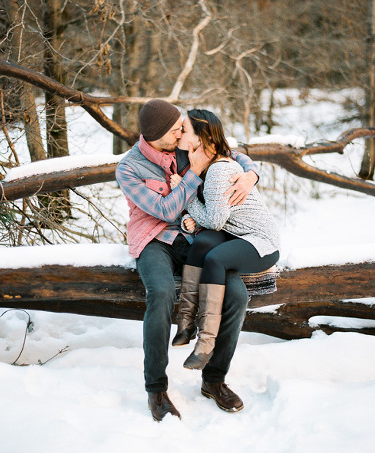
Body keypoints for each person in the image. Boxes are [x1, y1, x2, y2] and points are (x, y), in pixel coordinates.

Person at [115, 99, 261, 421]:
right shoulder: (128, 169)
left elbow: (231, 153)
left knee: (236, 294)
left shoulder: (184, 145)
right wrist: (194, 173)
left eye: (183, 126)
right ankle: (156, 389)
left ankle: (214, 380)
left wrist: (251, 174)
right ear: (155, 136)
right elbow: (166, 211)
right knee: (162, 294)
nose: (183, 131)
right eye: (176, 129)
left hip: (196, 237)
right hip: (154, 239)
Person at [170, 108, 280, 373]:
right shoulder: (212, 162)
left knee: (215, 258)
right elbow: (218, 217)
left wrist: (186, 196)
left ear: (201, 139)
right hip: (237, 235)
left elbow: (216, 220)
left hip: (260, 243)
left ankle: (206, 343)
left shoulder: (219, 170)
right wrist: (197, 217)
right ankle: (185, 323)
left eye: (185, 130)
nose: (180, 134)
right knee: (204, 244)